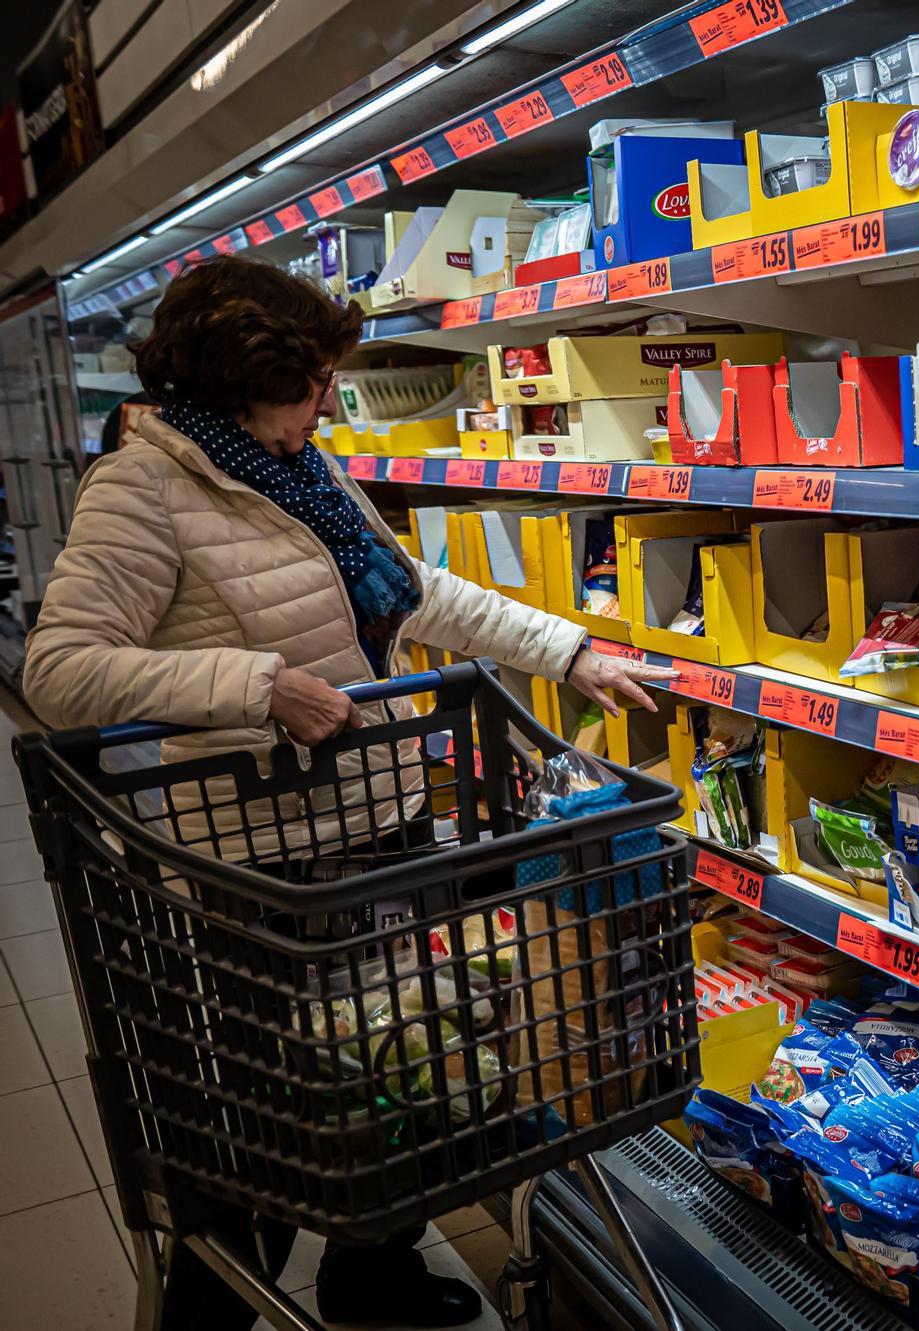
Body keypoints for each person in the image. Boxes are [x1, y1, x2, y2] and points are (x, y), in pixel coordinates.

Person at [22, 255, 672, 1328]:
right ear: (246, 372)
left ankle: (371, 1271)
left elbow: (414, 592)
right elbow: (61, 670)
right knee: (276, 1114)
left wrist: (569, 652)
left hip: (376, 821)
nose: (331, 396)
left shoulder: (300, 467)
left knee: (397, 1072)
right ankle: (214, 1305)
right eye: (314, 375)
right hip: (262, 858)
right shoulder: (145, 484)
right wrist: (257, 684)